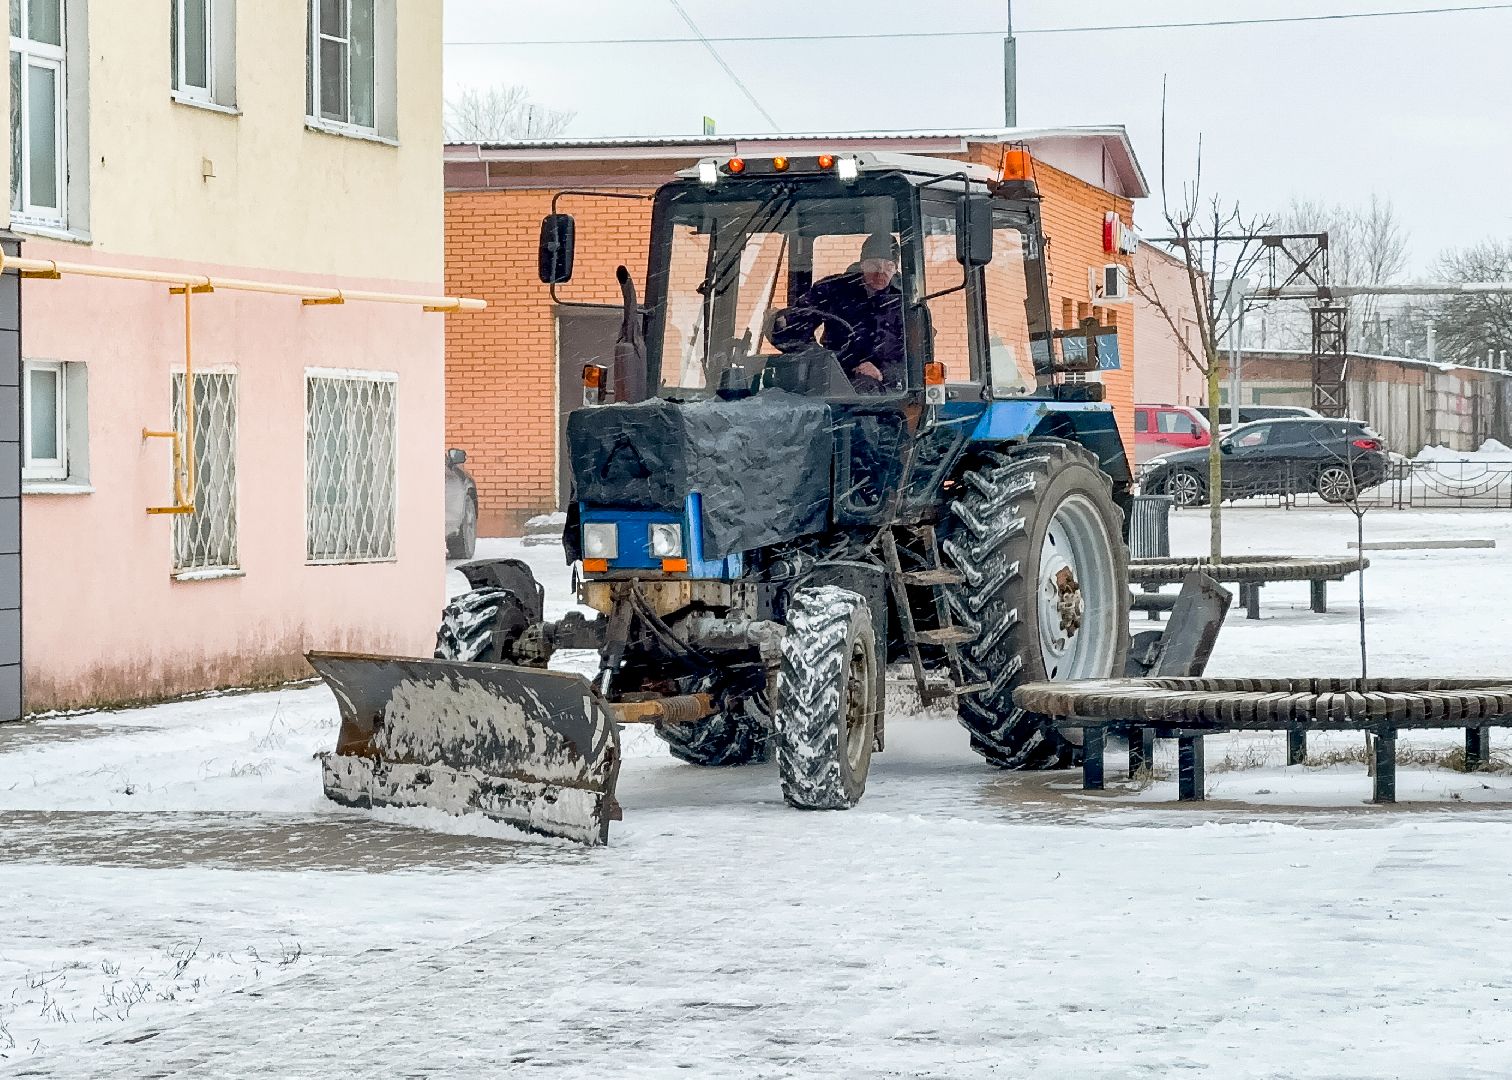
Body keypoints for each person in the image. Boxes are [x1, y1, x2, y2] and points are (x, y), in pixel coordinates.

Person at [770, 232, 904, 390]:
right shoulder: (832, 289)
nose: (880, 272)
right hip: (831, 380)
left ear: (895, 269)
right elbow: (798, 324)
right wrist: (780, 323)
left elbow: (916, 356)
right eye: (874, 265)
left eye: (888, 266)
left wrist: (883, 373)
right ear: (862, 265)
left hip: (887, 390)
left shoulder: (904, 301)